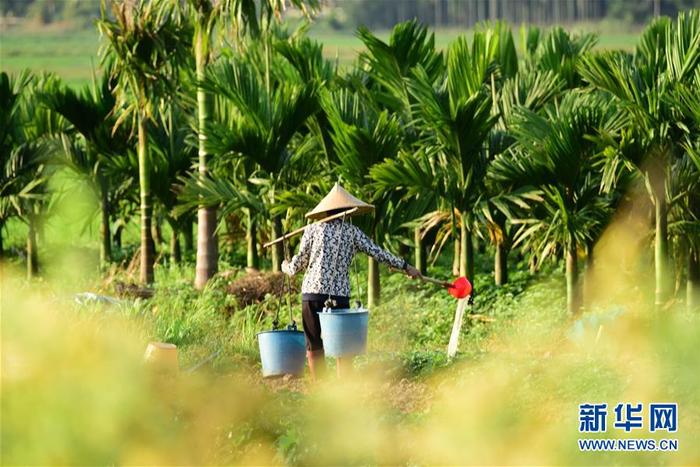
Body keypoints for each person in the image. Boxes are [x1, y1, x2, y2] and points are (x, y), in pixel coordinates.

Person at [282, 183, 421, 381]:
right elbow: (378, 252)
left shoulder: (312, 229)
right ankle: (343, 393)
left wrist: (284, 265)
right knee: (342, 346)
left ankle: (320, 390)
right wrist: (406, 266)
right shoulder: (352, 232)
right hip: (339, 296)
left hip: (312, 292)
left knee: (313, 343)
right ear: (347, 210)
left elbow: (296, 267)